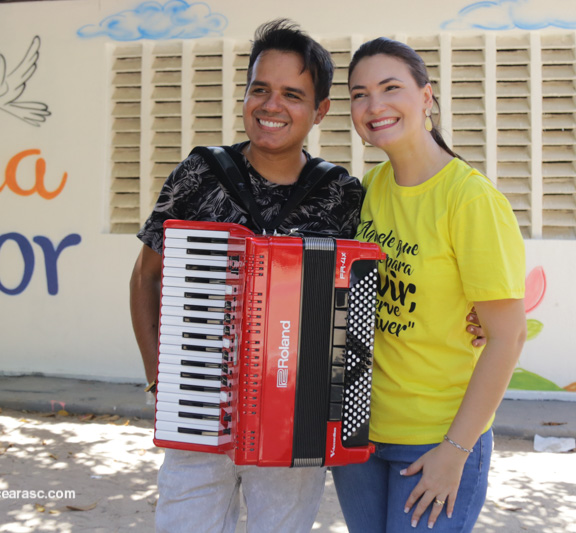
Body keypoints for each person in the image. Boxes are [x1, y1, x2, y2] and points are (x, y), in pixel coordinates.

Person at [129, 19, 362, 533]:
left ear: (320, 111)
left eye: (292, 94)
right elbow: (147, 276)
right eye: (261, 88)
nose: (271, 105)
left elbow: (359, 300)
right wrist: (160, 381)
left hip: (293, 420)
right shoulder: (199, 173)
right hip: (196, 407)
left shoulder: (343, 194)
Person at [331, 38, 528, 533]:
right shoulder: (370, 189)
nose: (374, 106)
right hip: (360, 432)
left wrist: (455, 451)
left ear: (426, 96)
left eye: (390, 87)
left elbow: (507, 336)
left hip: (436, 439)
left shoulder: (470, 200)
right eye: (359, 94)